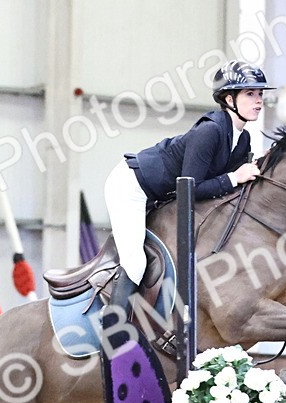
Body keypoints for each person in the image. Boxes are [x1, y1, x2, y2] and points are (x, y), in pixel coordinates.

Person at [101, 60, 275, 316]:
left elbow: (232, 186)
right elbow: (190, 190)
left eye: (260, 94)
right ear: (229, 99)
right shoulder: (210, 130)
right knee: (136, 264)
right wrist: (234, 177)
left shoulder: (242, 139)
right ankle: (113, 340)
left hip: (160, 194)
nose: (258, 100)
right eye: (250, 93)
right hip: (131, 186)